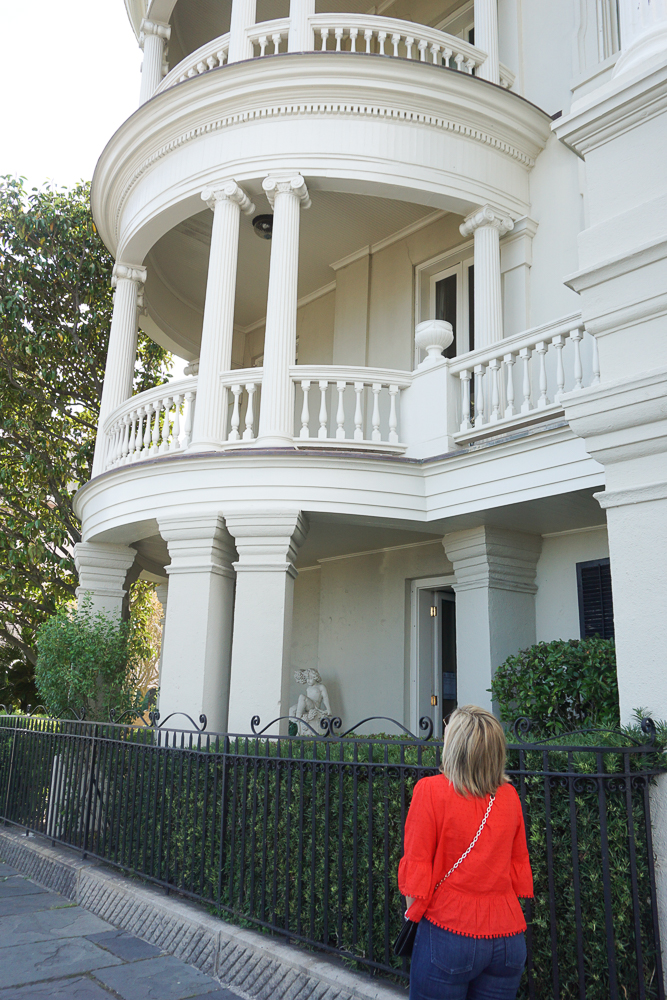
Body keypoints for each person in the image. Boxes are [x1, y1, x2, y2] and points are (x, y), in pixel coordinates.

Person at [398, 705, 533, 1000]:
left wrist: (413, 916)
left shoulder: (430, 790)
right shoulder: (509, 796)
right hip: (509, 937)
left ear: (454, 748)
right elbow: (516, 863)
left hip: (449, 931)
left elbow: (416, 869)